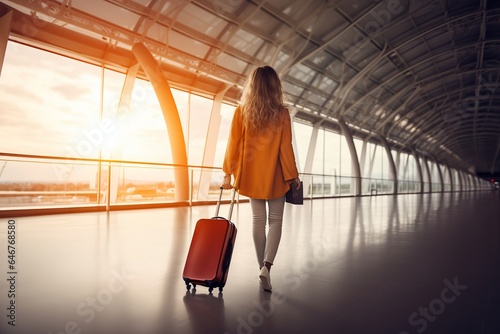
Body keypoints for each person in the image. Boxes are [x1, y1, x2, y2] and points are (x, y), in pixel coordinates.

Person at [222, 65, 300, 292]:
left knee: (258, 221)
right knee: (276, 221)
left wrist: (228, 172)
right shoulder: (282, 113)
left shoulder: (242, 111)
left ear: (252, 85)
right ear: (275, 86)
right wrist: (292, 175)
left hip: (251, 175)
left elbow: (232, 144)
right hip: (276, 176)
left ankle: (260, 267)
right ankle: (266, 266)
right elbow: (286, 147)